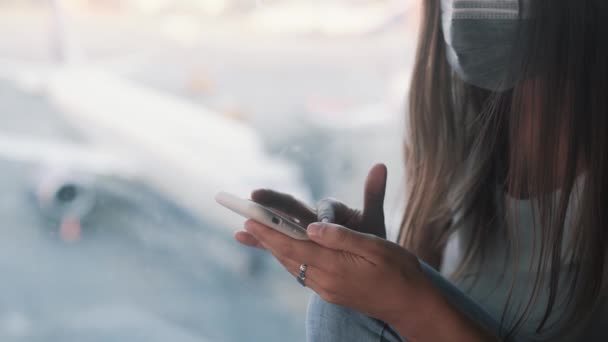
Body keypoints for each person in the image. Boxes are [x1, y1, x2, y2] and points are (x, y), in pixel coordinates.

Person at [234, 0, 608, 341]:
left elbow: (413, 306)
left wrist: (408, 301)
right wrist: (377, 262)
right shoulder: (452, 121)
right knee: (343, 304)